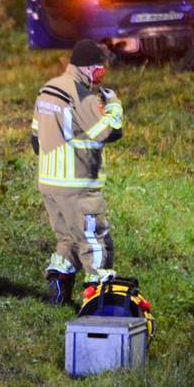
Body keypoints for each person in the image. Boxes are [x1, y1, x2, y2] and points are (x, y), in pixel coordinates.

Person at [32, 39, 124, 305]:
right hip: (78, 185)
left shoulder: (47, 90)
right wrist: (114, 106)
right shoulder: (80, 95)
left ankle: (57, 295)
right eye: (98, 68)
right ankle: (99, 304)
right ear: (86, 67)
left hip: (50, 183)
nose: (100, 73)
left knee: (68, 238)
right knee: (96, 242)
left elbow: (35, 140)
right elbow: (110, 132)